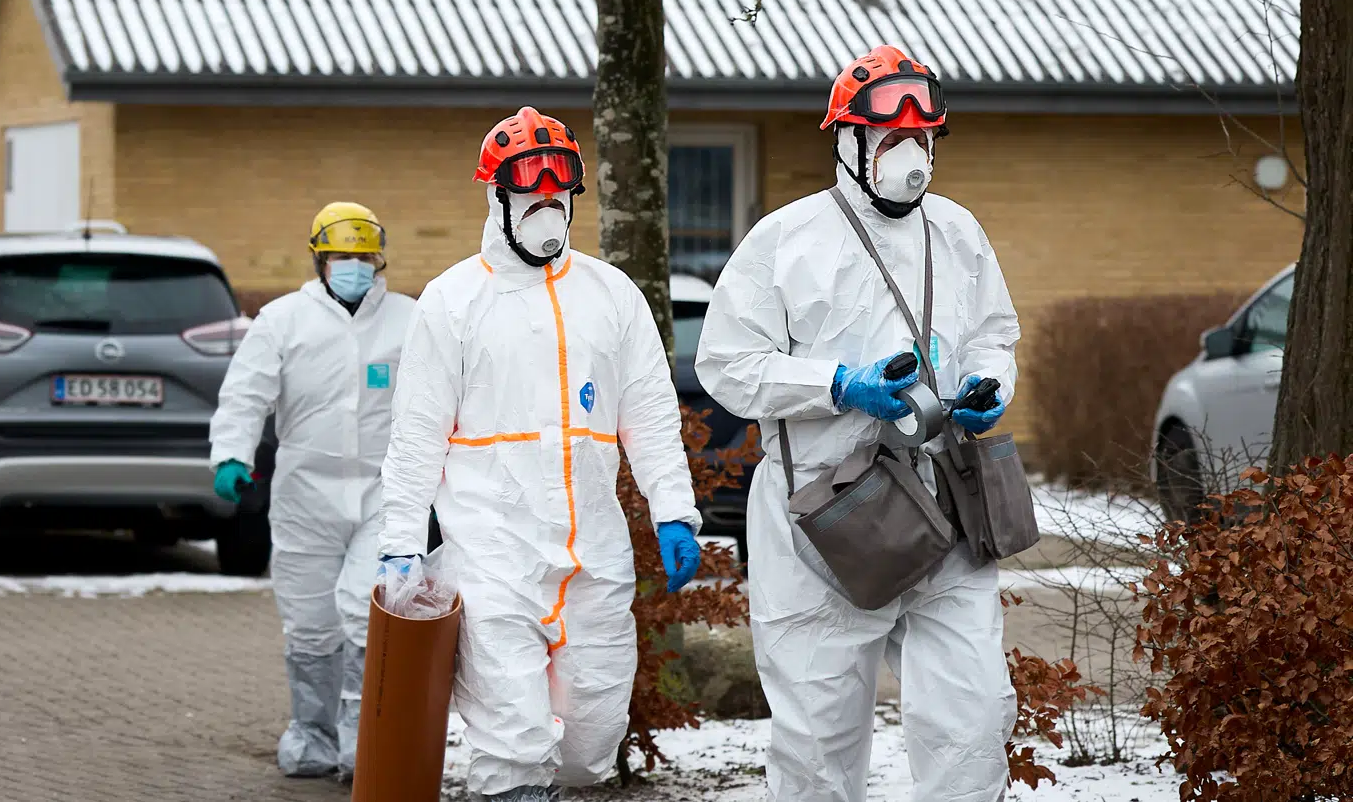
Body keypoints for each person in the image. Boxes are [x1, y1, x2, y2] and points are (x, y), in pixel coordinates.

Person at [695, 46, 1021, 802]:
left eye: (922, 139)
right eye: (887, 139)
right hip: (826, 515)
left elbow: (995, 332)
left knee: (971, 719)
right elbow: (726, 364)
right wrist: (837, 385)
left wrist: (990, 384)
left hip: (943, 503)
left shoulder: (959, 233)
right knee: (818, 736)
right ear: (844, 140)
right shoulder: (786, 242)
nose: (908, 155)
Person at [378, 107, 702, 802]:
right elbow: (416, 435)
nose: (546, 202)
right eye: (529, 188)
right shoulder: (453, 301)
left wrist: (674, 509)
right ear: (496, 196)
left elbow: (647, 412)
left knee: (590, 747)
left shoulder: (611, 295)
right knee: (514, 745)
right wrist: (402, 541)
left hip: (594, 559)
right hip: (494, 556)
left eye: (560, 190)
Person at [208, 202, 417, 783]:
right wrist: (231, 454)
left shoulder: (410, 320)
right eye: (341, 257)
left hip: (383, 490)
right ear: (320, 259)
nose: (353, 267)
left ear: (380, 261)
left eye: (363, 257)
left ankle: (362, 746)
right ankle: (312, 736)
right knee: (309, 622)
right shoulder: (282, 320)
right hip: (305, 494)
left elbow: (442, 396)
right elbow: (245, 394)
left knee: (362, 610)